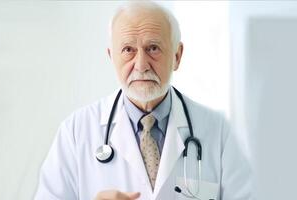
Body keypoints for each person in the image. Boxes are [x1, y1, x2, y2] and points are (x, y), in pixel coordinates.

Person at [34, 1, 253, 200]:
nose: (141, 65)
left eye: (153, 48)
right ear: (112, 57)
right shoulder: (75, 132)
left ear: (177, 56)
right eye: (128, 50)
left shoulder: (217, 131)